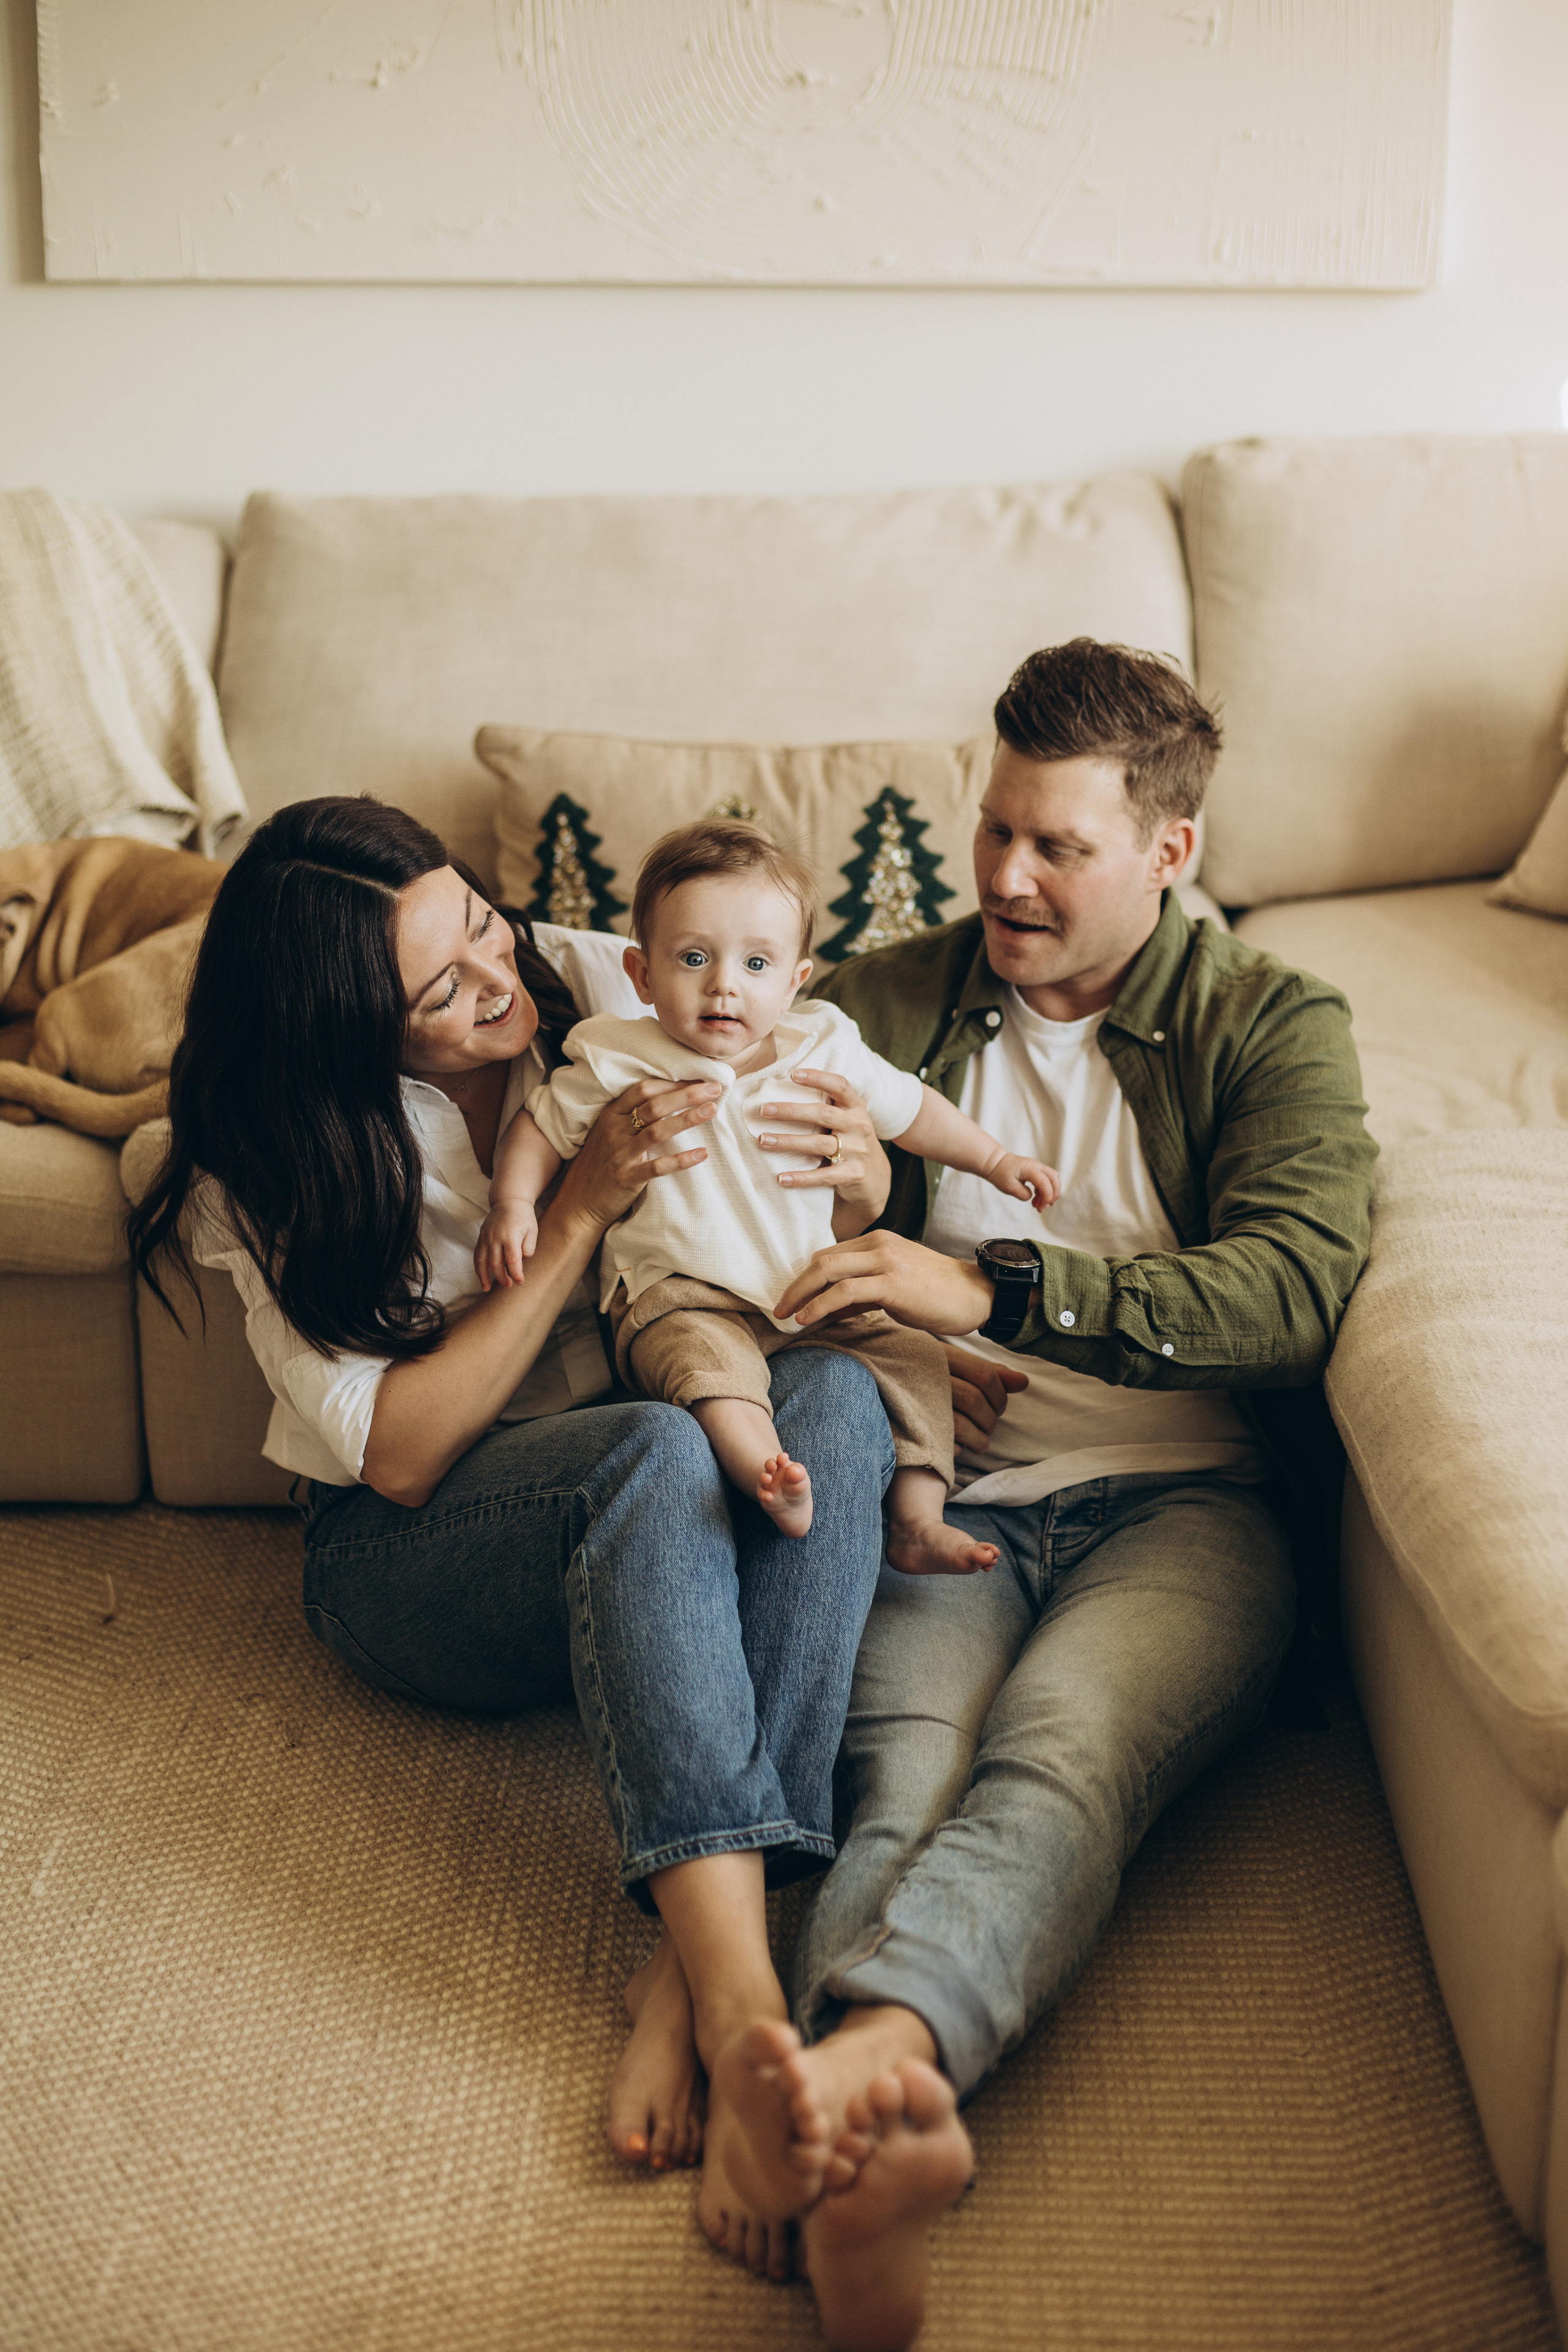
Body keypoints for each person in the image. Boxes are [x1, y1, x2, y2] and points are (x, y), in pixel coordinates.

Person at [124, 794, 918, 2286]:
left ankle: (682, 1981)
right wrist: (574, 1218)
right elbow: (405, 1456)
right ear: (343, 1028)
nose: (495, 980)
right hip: (415, 1559)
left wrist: (866, 1176)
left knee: (834, 1398)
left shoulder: (608, 976)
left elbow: (823, 1102)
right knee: (648, 1444)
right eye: (439, 988)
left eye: (476, 924)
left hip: (663, 1482)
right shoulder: (270, 1151)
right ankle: (752, 2008)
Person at [699, 639, 1379, 2352]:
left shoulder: (1271, 1023)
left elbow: (1292, 1291)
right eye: (994, 828)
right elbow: (729, 1219)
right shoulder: (884, 1001)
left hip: (1190, 1506)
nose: (1002, 875)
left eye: (1057, 848)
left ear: (1171, 852)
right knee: (901, 1768)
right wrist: (849, 1227)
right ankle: (875, 2120)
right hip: (954, 1497)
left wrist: (992, 1287)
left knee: (1061, 1749)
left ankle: (853, 2075)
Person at [477, 820, 1059, 1578]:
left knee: (915, 1360)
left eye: (756, 962)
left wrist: (995, 1158)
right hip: (679, 1290)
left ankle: (916, 1518)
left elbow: (913, 1111)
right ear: (642, 973)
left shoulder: (824, 1045)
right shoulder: (618, 1053)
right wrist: (514, 1204)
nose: (724, 983)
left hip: (806, 1284)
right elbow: (540, 1126)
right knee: (706, 1368)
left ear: (795, 979)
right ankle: (766, 1472)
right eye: (693, 958)